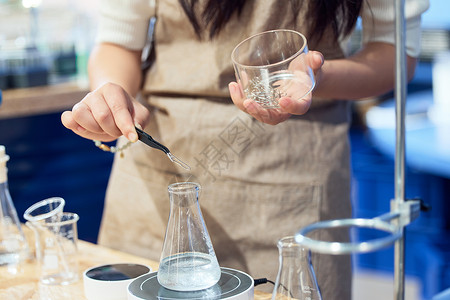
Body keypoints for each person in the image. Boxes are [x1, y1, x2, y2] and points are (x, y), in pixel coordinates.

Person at [61, 0, 429, 298]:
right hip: (153, 183)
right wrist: (113, 92)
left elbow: (395, 54)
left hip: (290, 182)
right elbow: (118, 41)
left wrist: (317, 78)